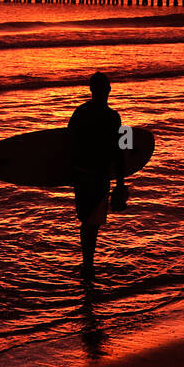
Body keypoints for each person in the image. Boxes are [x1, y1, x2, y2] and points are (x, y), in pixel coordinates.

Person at [68, 72, 126, 280]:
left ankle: (87, 264)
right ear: (108, 89)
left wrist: (70, 172)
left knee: (88, 221)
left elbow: (70, 143)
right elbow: (120, 151)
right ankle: (88, 264)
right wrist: (120, 181)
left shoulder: (81, 113)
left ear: (91, 89)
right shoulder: (113, 117)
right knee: (91, 221)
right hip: (97, 175)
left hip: (85, 175)